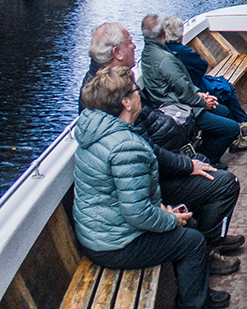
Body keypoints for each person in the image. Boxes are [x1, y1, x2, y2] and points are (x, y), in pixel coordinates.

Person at [80, 22, 245, 277]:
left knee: (204, 161)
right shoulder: (106, 93)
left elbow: (144, 141)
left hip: (152, 170)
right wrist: (187, 165)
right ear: (117, 53)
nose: (135, 45)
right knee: (224, 182)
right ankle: (207, 247)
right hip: (151, 178)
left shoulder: (112, 81)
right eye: (129, 42)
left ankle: (206, 239)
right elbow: (141, 154)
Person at [76, 66, 230, 309]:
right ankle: (194, 305)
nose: (139, 95)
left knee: (189, 225)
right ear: (126, 103)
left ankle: (196, 294)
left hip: (100, 232)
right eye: (136, 91)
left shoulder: (95, 133)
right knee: (193, 242)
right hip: (115, 244)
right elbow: (137, 214)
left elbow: (126, 198)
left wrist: (165, 212)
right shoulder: (125, 147)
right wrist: (169, 219)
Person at [139, 14, 245, 165]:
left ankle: (204, 152)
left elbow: (181, 86)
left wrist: (198, 93)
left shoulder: (150, 52)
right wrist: (202, 102)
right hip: (177, 109)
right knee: (232, 128)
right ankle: (209, 160)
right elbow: (182, 89)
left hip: (178, 102)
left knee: (223, 111)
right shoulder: (165, 59)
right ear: (164, 32)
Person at [161, 14, 247, 142]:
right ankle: (242, 125)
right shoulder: (182, 51)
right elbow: (202, 65)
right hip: (196, 85)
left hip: (189, 86)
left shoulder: (163, 50)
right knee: (227, 88)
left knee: (223, 90)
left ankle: (238, 132)